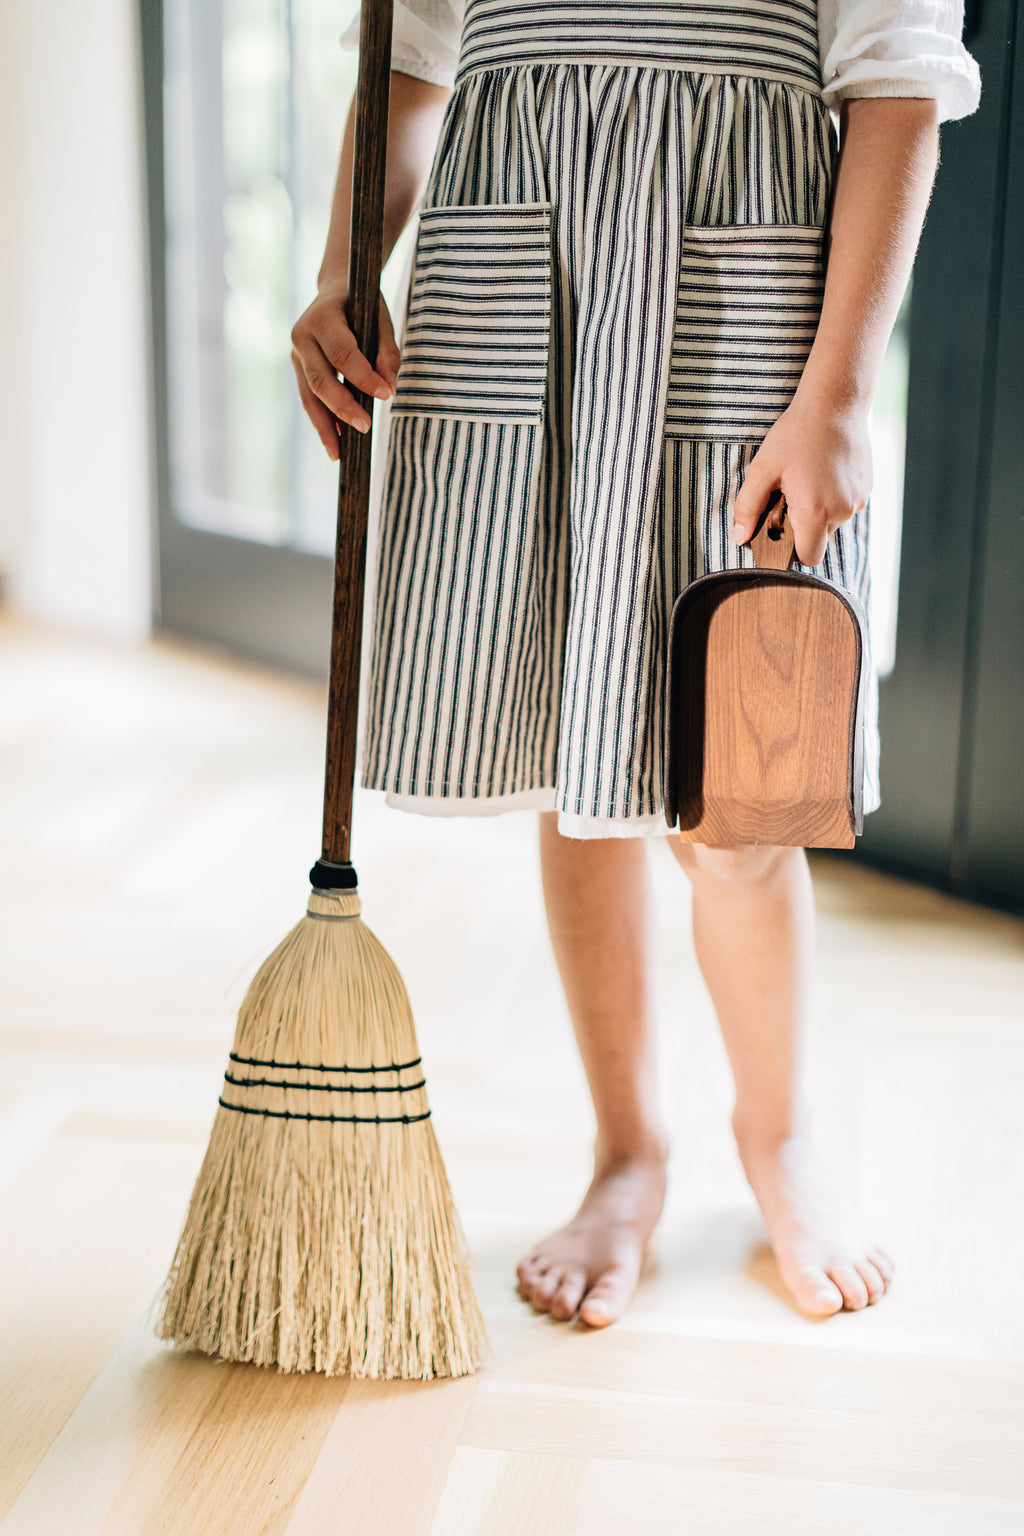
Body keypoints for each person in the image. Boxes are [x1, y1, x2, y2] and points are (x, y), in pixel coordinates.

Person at [291, 0, 981, 1327]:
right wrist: (341, 265)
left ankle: (777, 1137)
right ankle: (627, 1152)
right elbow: (413, 62)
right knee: (574, 757)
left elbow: (896, 88)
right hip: (517, 319)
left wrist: (839, 394)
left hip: (745, 332)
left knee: (745, 798)